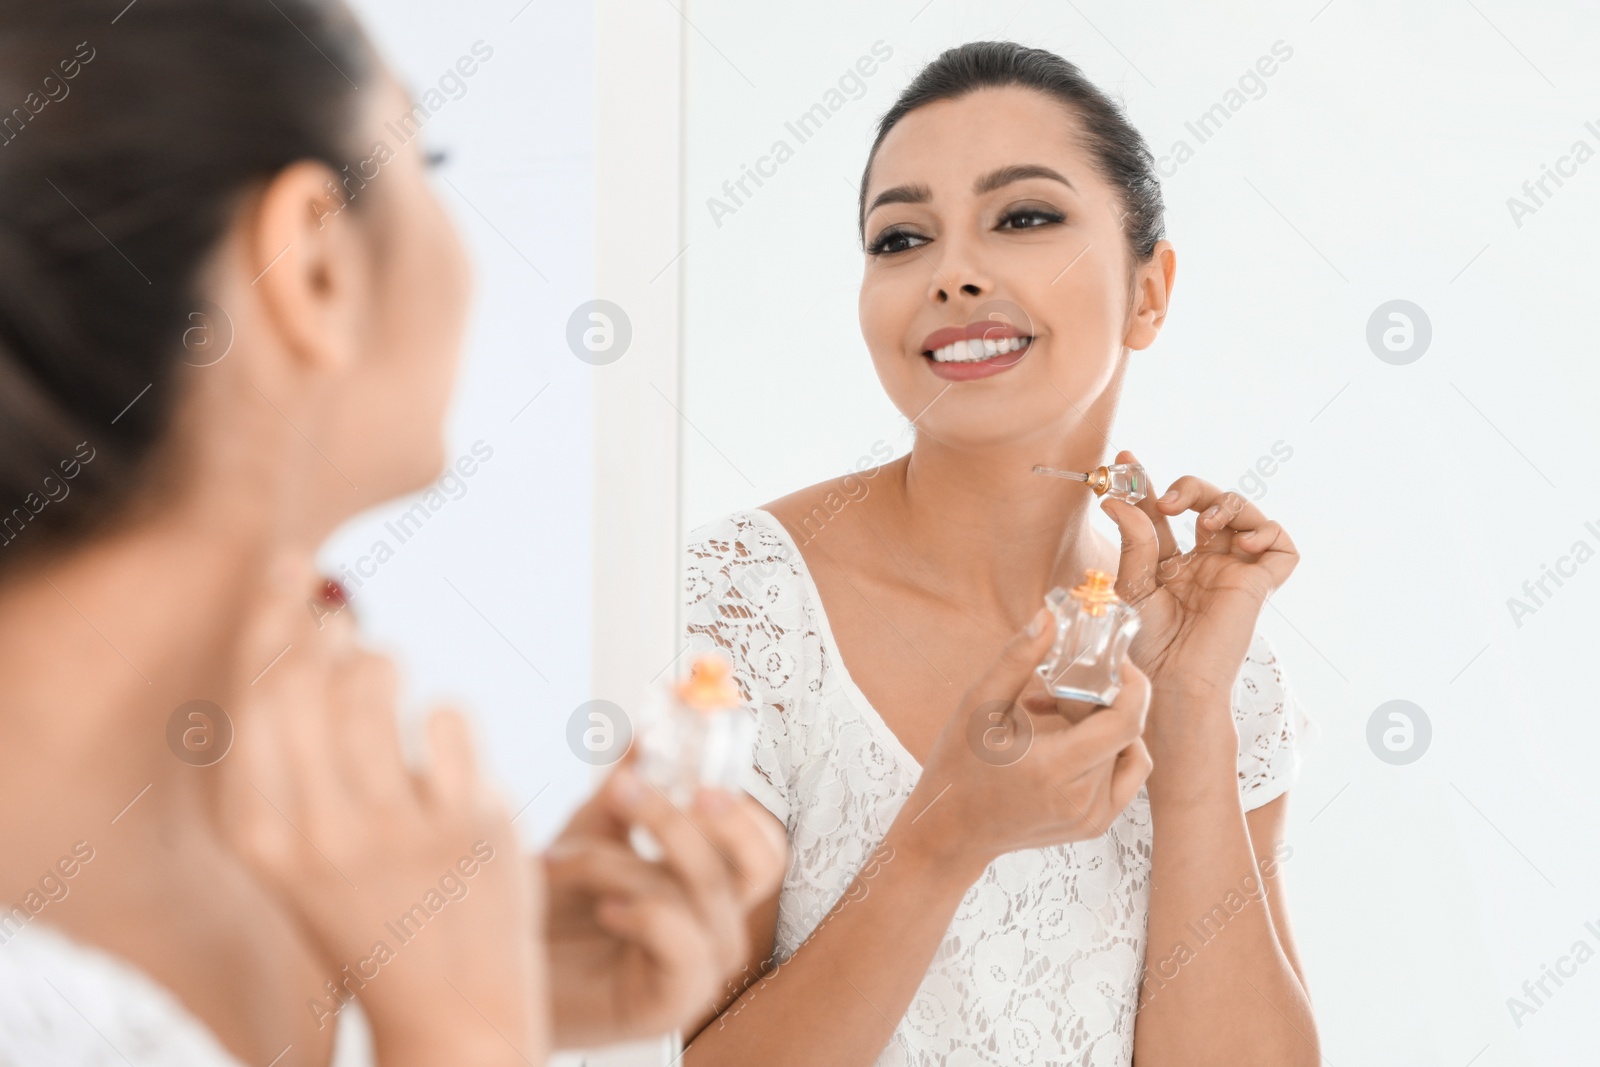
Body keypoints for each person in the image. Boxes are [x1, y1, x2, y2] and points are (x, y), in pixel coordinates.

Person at [0, 1, 783, 1064]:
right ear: (313, 265)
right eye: (430, 156)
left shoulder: (227, 868)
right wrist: (466, 1032)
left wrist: (461, 981)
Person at [680, 41, 1317, 1066]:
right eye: (900, 237)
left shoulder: (1215, 657)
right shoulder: (734, 618)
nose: (953, 272)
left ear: (1148, 291)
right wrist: (943, 836)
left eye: (1023, 217)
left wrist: (1192, 724)